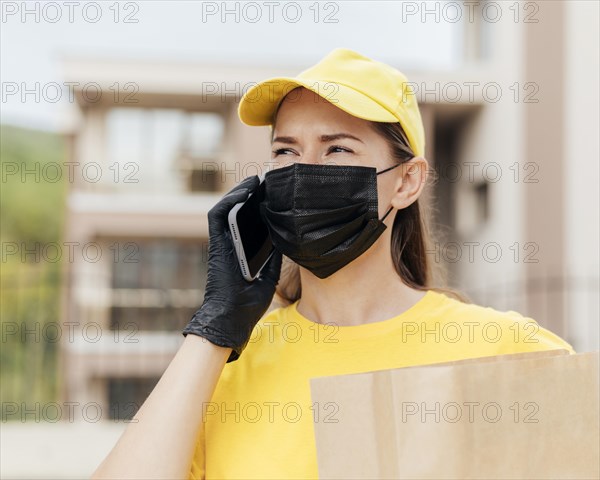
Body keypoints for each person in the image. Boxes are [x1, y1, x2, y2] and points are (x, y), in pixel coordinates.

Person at [91, 48, 575, 480]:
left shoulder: (505, 351)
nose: (303, 172)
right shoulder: (221, 369)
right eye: (286, 151)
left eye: (338, 147)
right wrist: (214, 328)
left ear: (407, 182)